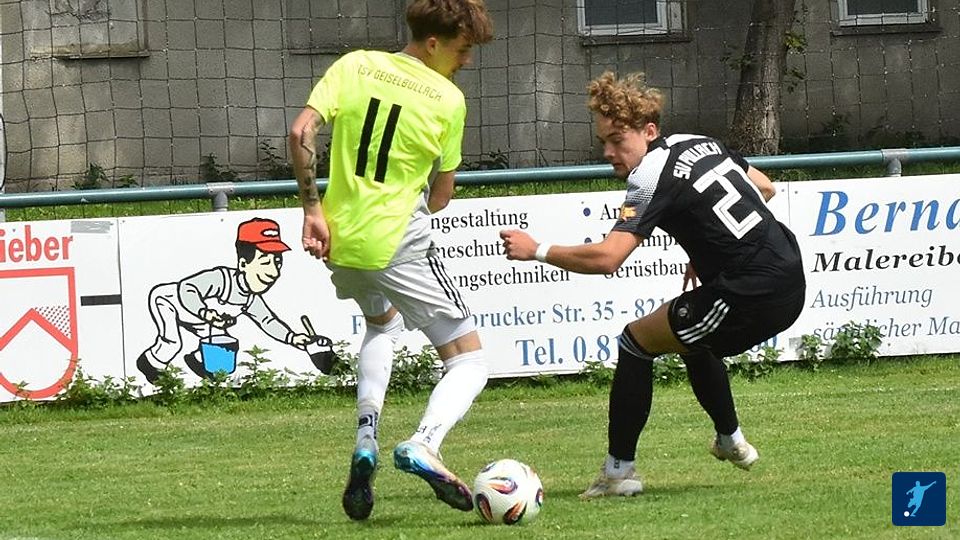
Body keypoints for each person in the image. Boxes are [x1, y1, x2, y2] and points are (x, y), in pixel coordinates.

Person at [500, 71, 805, 498]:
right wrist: (711, 248)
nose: (609, 152)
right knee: (688, 336)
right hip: (788, 270)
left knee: (635, 341)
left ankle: (619, 474)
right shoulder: (700, 142)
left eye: (617, 140)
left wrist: (537, 249)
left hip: (751, 290)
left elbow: (608, 258)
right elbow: (765, 188)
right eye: (603, 142)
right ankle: (731, 441)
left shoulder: (648, 176)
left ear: (648, 131)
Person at [287, 0, 494, 521]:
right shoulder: (448, 99)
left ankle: (366, 440)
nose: (466, 61)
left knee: (382, 325)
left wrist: (312, 209)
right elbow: (441, 196)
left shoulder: (354, 65)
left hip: (340, 241)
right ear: (433, 44)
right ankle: (424, 443)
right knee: (469, 360)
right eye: (461, 50)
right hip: (399, 241)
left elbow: (300, 132)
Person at [135, 218, 313, 384]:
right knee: (172, 343)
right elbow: (187, 288)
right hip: (170, 302)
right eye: (265, 262)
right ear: (243, 264)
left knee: (222, 342)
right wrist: (204, 312)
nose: (274, 272)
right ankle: (151, 366)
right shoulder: (222, 279)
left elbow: (267, 320)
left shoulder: (250, 298)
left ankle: (197, 361)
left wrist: (292, 337)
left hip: (201, 319)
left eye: (278, 262)